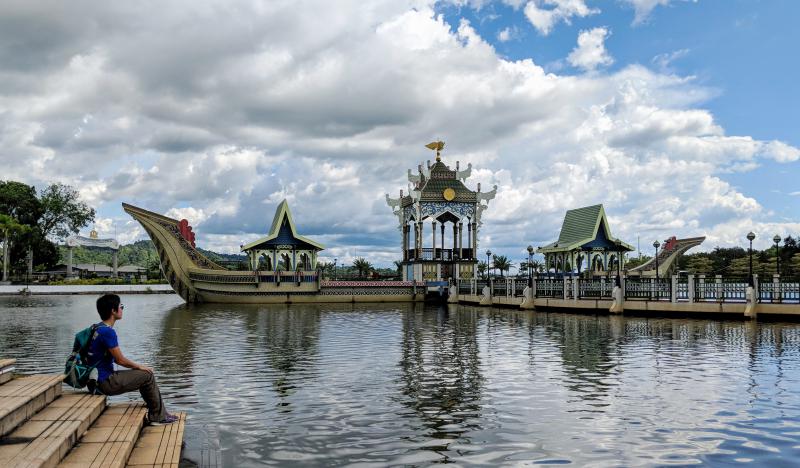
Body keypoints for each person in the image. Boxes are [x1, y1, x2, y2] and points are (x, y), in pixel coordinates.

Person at [87, 293, 178, 425]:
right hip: (105, 382)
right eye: (121, 306)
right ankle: (158, 417)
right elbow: (120, 360)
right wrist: (139, 366)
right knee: (147, 375)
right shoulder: (108, 332)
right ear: (113, 311)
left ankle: (156, 411)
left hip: (95, 380)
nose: (122, 309)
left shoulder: (97, 327)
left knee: (143, 375)